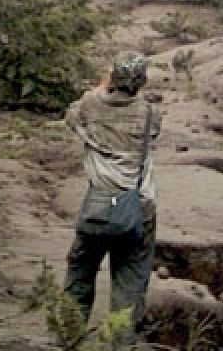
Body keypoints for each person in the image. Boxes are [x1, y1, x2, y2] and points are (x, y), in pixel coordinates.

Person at [62, 51, 161, 339]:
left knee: (80, 270)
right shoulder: (150, 114)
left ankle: (70, 335)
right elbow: (152, 134)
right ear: (142, 81)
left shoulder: (89, 107)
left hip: (99, 205)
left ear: (112, 77)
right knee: (130, 281)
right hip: (138, 206)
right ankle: (121, 342)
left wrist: (100, 87)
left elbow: (71, 116)